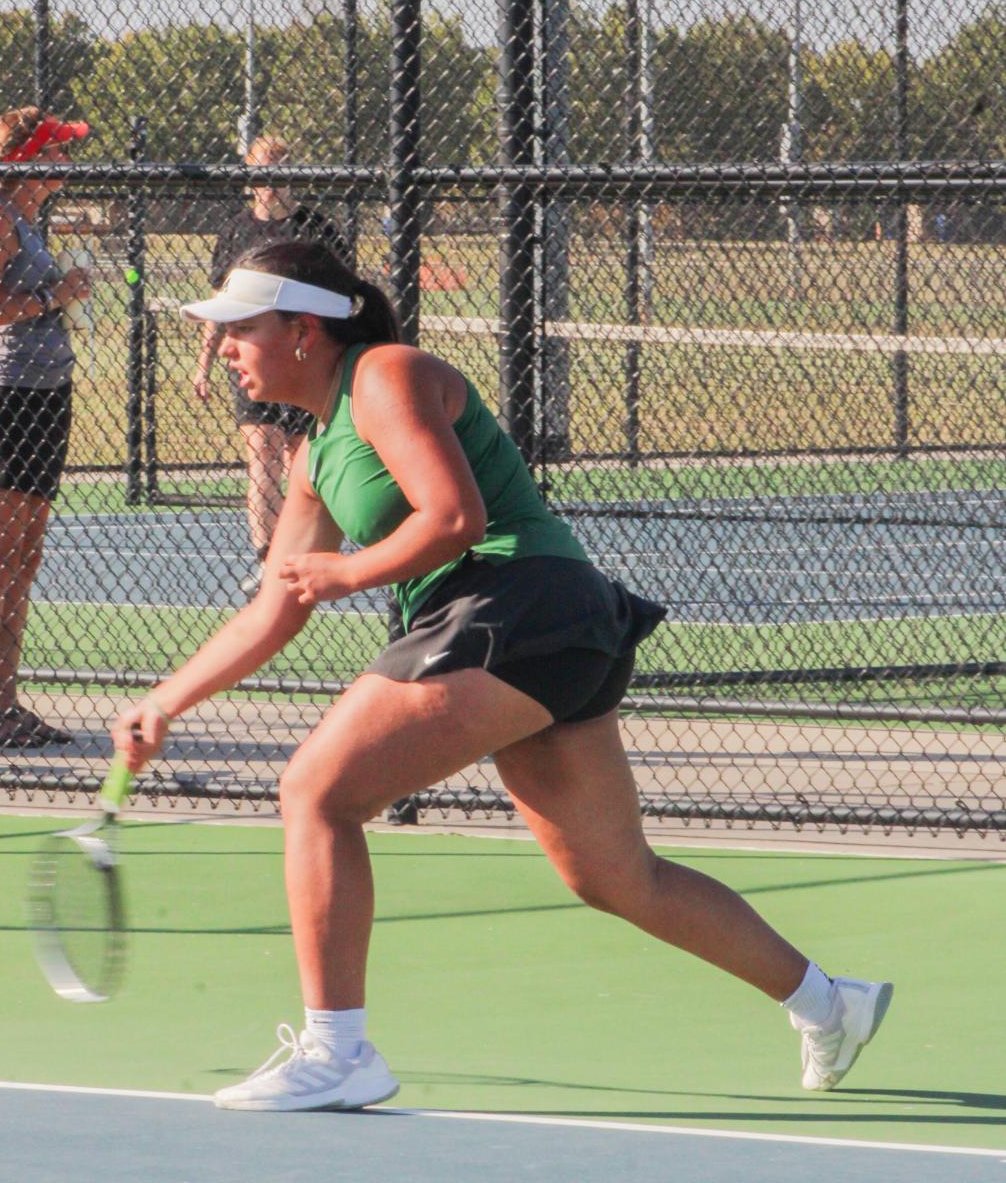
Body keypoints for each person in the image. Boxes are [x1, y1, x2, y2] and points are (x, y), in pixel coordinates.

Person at [115, 239, 894, 1112]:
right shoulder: (312, 458)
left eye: (239, 328)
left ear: (304, 329)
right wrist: (166, 699)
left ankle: (338, 1051)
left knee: (316, 792)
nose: (222, 348)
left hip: (515, 598)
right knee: (613, 878)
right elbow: (275, 608)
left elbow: (455, 516)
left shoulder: (386, 374)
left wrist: (351, 573)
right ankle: (829, 1002)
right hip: (548, 629)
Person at [0, 105, 93, 749]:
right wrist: (52, 298)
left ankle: (6, 703)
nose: (65, 161)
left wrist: (58, 290)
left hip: (45, 394)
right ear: (28, 161)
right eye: (56, 152)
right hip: (5, 398)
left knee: (25, 558)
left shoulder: (31, 219)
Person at [192, 134, 349, 592]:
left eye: (279, 171)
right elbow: (220, 301)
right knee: (262, 452)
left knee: (302, 455)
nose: (271, 184)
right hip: (253, 359)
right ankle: (266, 557)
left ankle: (305, 553)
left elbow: (342, 293)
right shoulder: (237, 231)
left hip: (303, 359)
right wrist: (203, 361)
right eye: (262, 173)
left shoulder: (316, 228)